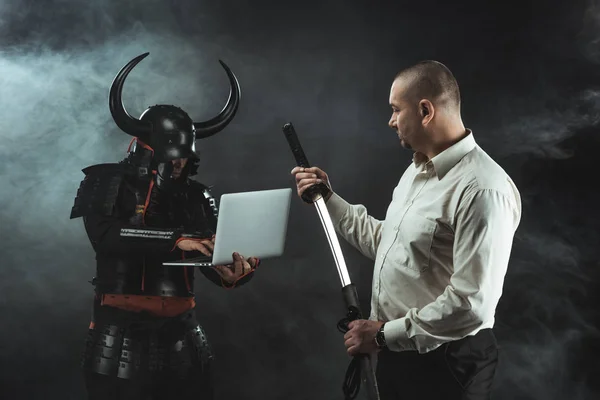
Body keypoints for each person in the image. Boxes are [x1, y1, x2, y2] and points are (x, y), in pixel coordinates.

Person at [292, 60, 521, 399]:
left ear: (425, 110)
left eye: (396, 110)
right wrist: (327, 199)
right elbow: (389, 244)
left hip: (448, 365)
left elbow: (472, 304)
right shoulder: (417, 170)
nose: (391, 121)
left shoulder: (482, 189)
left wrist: (383, 334)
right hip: (401, 355)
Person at [70, 53, 259, 400]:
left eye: (185, 157)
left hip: (184, 343)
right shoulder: (104, 181)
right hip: (117, 341)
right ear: (145, 149)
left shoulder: (197, 195)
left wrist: (235, 272)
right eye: (172, 157)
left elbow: (212, 257)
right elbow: (107, 237)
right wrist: (177, 239)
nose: (179, 165)